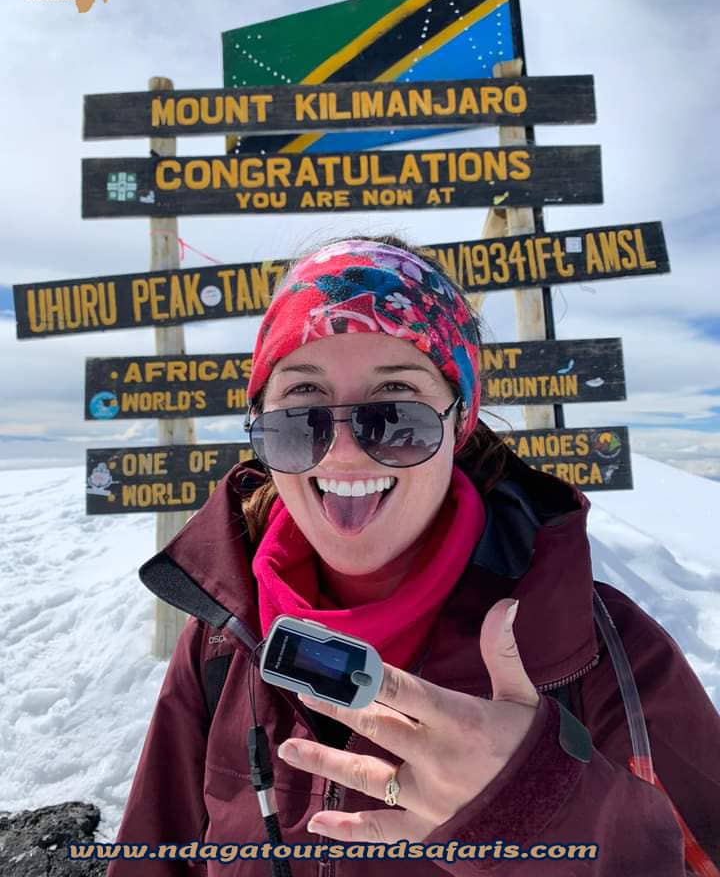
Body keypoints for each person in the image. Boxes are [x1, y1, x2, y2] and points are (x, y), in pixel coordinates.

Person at [108, 236, 720, 876]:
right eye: (301, 410)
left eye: (397, 410)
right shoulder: (221, 641)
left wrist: (537, 812)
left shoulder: (606, 654)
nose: (344, 453)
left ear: (459, 423)